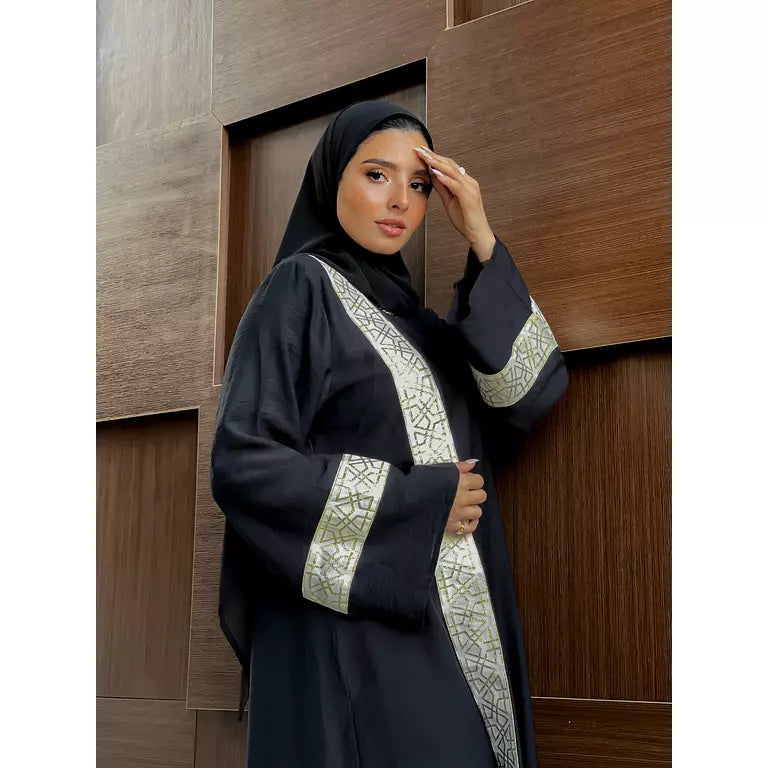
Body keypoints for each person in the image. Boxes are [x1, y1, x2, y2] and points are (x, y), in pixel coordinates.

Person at [209, 99, 569, 768]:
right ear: (332, 178)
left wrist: (481, 237)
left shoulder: (424, 329)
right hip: (349, 631)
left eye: (420, 184)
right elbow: (243, 463)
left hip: (441, 624)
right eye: (377, 174)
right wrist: (421, 502)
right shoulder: (300, 289)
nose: (400, 199)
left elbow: (525, 397)